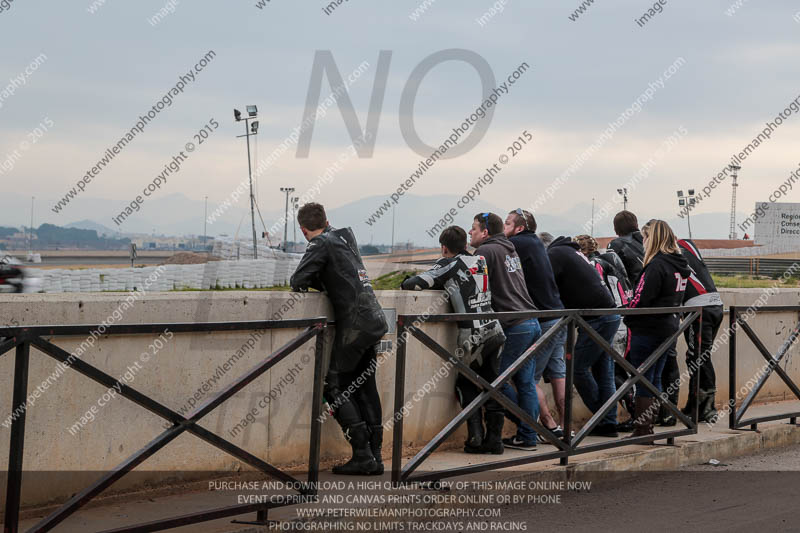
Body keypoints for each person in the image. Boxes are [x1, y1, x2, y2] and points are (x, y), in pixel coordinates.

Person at [290, 203, 388, 475]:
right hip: (374, 319)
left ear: (303, 229)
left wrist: (320, 282)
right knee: (366, 387)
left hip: (355, 324)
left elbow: (298, 279)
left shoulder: (319, 242)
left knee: (333, 388)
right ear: (327, 219)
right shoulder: (345, 237)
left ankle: (362, 455)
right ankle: (376, 457)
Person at [401, 226, 506, 452]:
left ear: (444, 247)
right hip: (494, 328)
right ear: (465, 244)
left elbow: (414, 284)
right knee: (493, 384)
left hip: (473, 334)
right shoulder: (479, 261)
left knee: (466, 384)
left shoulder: (447, 264)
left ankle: (476, 439)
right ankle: (495, 440)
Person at [469, 212, 541, 452]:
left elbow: (472, 288)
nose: (470, 232)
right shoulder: (509, 247)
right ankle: (529, 435)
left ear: (485, 232)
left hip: (515, 324)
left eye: (474, 228)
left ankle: (526, 426)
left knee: (496, 380)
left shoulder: (485, 252)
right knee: (526, 382)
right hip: (532, 320)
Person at [548, 235, 621, 437]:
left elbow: (548, 286)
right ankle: (608, 422)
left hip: (598, 319)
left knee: (577, 368)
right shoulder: (571, 252)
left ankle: (603, 416)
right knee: (603, 370)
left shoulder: (554, 254)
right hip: (608, 314)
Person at [504, 209, 568, 438]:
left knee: (528, 379)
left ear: (519, 228)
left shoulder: (516, 244)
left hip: (543, 320)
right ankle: (565, 426)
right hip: (560, 314)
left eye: (507, 223)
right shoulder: (536, 242)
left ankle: (547, 426)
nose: (504, 228)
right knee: (558, 373)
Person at [624, 219, 690, 437]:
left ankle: (643, 428)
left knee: (642, 377)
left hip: (648, 328)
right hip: (669, 326)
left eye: (644, 237)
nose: (643, 242)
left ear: (652, 238)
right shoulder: (679, 265)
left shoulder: (656, 265)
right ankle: (649, 425)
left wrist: (624, 311)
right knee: (654, 377)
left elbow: (640, 299)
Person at [574, 235, 636, 430]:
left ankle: (625, 415)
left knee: (612, 372)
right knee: (608, 372)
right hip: (622, 319)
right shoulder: (610, 261)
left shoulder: (592, 265)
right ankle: (612, 418)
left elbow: (594, 292)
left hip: (611, 321)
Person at [677, 238, 724, 422]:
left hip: (698, 308)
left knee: (698, 357)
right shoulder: (688, 244)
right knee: (698, 356)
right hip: (716, 304)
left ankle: (708, 408)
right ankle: (694, 404)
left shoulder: (667, 252)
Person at [608, 211, 645, 287]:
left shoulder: (616, 244)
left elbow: (613, 275)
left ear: (615, 228)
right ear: (636, 225)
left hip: (633, 290)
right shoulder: (650, 240)